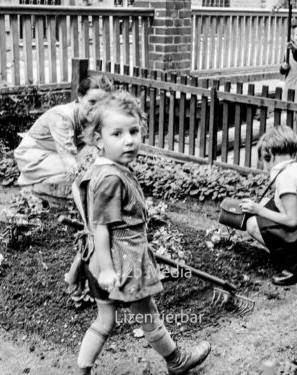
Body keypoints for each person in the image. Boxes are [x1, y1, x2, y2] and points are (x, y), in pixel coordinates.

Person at [71, 91, 211, 375]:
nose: (129, 140)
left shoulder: (99, 171)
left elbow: (90, 224)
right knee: (148, 315)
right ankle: (176, 361)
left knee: (105, 320)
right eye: (118, 133)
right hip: (122, 262)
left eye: (134, 131)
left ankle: (82, 371)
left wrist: (79, 268)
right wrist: (109, 270)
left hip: (96, 259)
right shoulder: (111, 178)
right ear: (99, 140)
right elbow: (100, 228)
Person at [238, 125, 297, 286]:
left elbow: (291, 220)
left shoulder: (285, 177)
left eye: (263, 160)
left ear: (268, 155)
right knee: (266, 206)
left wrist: (258, 210)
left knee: (253, 224)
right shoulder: (293, 170)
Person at [13, 75, 113, 201]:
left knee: (98, 157)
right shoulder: (62, 116)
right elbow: (69, 161)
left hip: (57, 156)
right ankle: (36, 187)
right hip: (34, 157)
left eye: (102, 104)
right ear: (80, 97)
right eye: (92, 102)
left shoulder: (95, 118)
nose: (97, 109)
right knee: (90, 169)